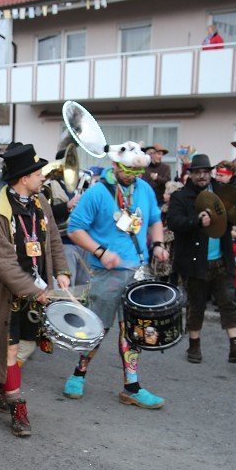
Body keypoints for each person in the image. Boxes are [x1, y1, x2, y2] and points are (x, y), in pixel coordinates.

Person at [0, 144, 71, 436]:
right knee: (11, 348)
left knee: (26, 345)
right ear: (23, 177)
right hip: (6, 294)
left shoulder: (40, 202)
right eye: (38, 171)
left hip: (34, 290)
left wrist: (62, 271)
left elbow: (53, 238)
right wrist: (34, 290)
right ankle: (18, 409)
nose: (42, 175)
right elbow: (3, 264)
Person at [63, 142, 167, 407]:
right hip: (106, 273)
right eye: (129, 170)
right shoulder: (97, 193)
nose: (134, 176)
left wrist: (158, 245)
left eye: (138, 171)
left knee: (132, 330)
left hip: (138, 273)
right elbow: (75, 229)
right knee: (98, 327)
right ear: (115, 165)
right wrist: (100, 252)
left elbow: (155, 220)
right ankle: (78, 373)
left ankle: (131, 387)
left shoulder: (143, 189)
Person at [166, 154, 236, 364]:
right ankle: (194, 345)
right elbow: (175, 223)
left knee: (228, 302)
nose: (202, 176)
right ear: (191, 174)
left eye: (206, 172)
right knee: (197, 305)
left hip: (221, 259)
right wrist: (196, 221)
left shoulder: (223, 193)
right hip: (194, 262)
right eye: (198, 172)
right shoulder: (181, 197)